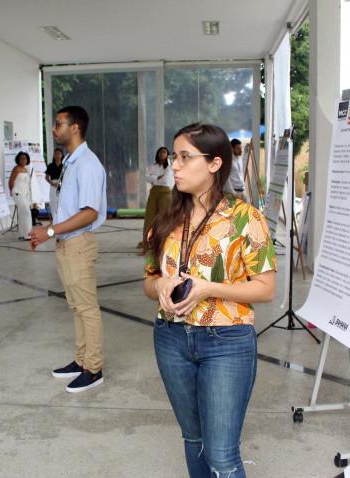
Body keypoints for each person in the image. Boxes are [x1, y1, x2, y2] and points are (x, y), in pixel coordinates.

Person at [143, 123, 276, 478]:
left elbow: (265, 288)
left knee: (221, 455)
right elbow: (149, 279)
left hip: (227, 342)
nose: (175, 165)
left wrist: (208, 289)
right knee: (193, 439)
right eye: (174, 157)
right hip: (170, 338)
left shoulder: (246, 219)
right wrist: (160, 287)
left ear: (215, 164)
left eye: (185, 157)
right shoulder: (167, 218)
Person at [29, 106, 107, 393]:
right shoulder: (72, 162)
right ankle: (81, 359)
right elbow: (69, 209)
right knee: (76, 306)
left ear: (75, 128)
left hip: (78, 245)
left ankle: (94, 367)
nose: (54, 129)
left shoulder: (87, 164)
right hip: (66, 244)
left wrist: (49, 231)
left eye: (58, 124)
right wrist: (50, 233)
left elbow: (88, 213)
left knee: (87, 308)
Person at [138, 146, 173, 253]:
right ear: (158, 154)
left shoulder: (170, 166)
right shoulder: (153, 166)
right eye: (161, 152)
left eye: (165, 152)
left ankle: (164, 245)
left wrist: (154, 177)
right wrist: (156, 177)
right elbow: (145, 177)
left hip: (166, 192)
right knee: (150, 217)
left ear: (167, 154)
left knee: (164, 218)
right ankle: (146, 244)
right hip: (154, 192)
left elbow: (166, 178)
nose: (163, 154)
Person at [9, 151, 33, 240]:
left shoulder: (26, 169)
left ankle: (24, 233)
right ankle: (27, 234)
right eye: (21, 158)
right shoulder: (16, 169)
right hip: (17, 193)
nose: (23, 160)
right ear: (18, 160)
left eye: (25, 158)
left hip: (25, 194)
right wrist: (12, 192)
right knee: (26, 212)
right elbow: (11, 182)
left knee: (24, 213)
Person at [45, 147, 64, 220]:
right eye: (55, 154)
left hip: (62, 186)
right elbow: (46, 178)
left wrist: (61, 184)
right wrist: (52, 184)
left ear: (62, 155)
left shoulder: (64, 166)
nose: (57, 155)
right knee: (53, 203)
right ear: (53, 155)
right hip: (53, 186)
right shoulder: (50, 165)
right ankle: (54, 220)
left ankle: (61, 220)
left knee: (61, 203)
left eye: (59, 154)